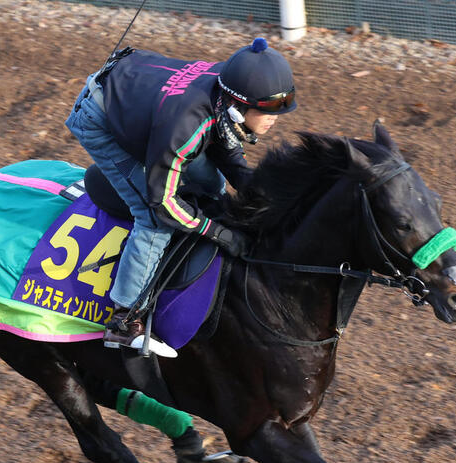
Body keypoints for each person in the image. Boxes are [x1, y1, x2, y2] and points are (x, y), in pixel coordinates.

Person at [65, 37, 297, 357]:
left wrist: (261, 197)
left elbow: (226, 147)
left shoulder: (223, 90)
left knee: (210, 186)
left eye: (281, 106)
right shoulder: (186, 126)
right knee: (152, 220)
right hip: (98, 117)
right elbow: (163, 204)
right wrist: (216, 232)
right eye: (267, 107)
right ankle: (124, 320)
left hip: (140, 92)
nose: (275, 116)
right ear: (238, 106)